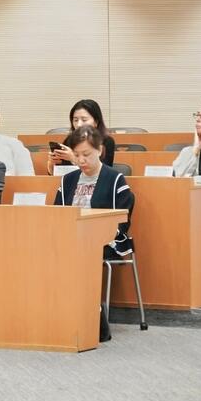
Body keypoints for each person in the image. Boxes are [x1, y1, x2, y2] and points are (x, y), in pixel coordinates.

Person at [53, 126, 135, 343]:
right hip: (71, 240)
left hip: (105, 241)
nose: (81, 160)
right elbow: (57, 215)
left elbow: (122, 221)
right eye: (77, 155)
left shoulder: (115, 179)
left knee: (79, 255)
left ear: (100, 150)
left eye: (86, 154)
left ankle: (95, 320)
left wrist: (93, 236)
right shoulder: (67, 180)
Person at [50, 99, 116, 169]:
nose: (79, 124)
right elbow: (60, 173)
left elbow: (104, 171)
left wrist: (74, 158)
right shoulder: (69, 140)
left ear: (96, 122)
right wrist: (52, 165)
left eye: (84, 120)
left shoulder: (107, 141)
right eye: (75, 120)